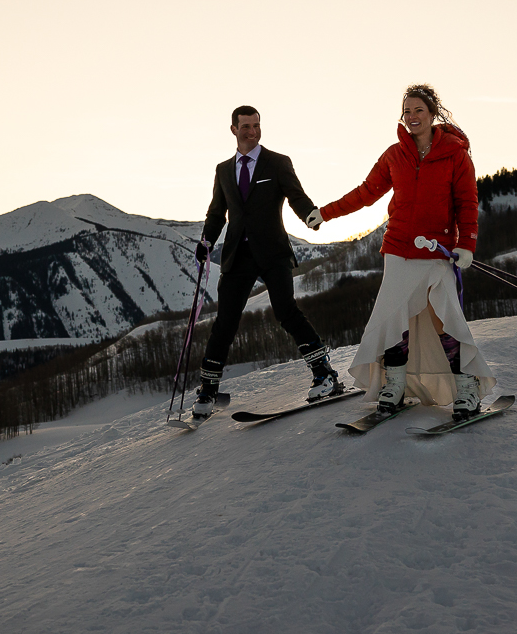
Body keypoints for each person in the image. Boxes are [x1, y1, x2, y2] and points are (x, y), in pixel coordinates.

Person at [312, 84, 496, 419]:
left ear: (432, 114)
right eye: (407, 111)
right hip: (398, 248)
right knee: (394, 318)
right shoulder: (395, 154)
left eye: (418, 111)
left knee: (446, 318)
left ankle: (466, 388)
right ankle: (394, 385)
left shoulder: (455, 154)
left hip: (437, 251)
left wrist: (466, 243)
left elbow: (466, 202)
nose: (412, 117)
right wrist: (326, 213)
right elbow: (367, 192)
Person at [192, 106, 336, 418]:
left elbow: (296, 195)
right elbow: (217, 212)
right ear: (233, 129)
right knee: (225, 323)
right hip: (237, 255)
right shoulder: (224, 170)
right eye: (245, 126)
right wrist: (206, 241)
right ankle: (208, 390)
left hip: (273, 251)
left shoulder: (278, 162)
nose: (252, 132)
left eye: (256, 126)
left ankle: (325, 373)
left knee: (286, 312)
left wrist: (310, 214)